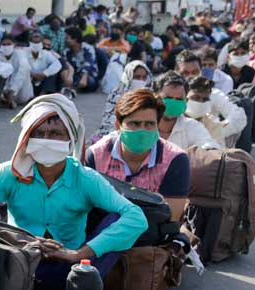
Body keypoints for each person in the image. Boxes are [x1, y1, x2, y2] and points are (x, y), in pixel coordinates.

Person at [0, 94, 146, 290]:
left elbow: (135, 217)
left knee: (116, 224)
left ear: (70, 138)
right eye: (40, 132)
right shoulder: (12, 172)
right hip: (20, 262)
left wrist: (76, 254)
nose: (47, 139)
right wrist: (12, 237)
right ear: (27, 137)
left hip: (69, 269)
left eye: (56, 133)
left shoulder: (84, 178)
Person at [85, 89, 191, 222]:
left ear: (158, 126)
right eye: (134, 124)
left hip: (152, 238)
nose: (142, 131)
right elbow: (86, 209)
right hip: (102, 234)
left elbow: (171, 218)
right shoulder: (96, 156)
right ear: (118, 125)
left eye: (149, 124)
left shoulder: (175, 160)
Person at [175, 50, 247, 143]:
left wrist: (218, 130)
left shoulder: (214, 94)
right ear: (176, 72)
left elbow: (238, 116)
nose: (190, 77)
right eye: (185, 73)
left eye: (195, 72)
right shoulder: (170, 98)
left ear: (201, 72)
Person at [154, 71, 220, 150]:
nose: (174, 102)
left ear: (186, 101)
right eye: (168, 98)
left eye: (179, 99)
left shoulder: (192, 127)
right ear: (155, 97)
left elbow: (209, 147)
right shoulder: (141, 124)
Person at [93, 60, 152, 143]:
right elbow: (108, 122)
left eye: (144, 77)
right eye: (137, 77)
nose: (141, 80)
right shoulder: (116, 95)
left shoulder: (150, 95)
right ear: (128, 77)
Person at [0, 34, 33, 108]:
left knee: (24, 69)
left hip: (21, 92)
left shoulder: (20, 54)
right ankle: (5, 99)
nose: (6, 46)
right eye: (3, 44)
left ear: (14, 45)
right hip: (5, 91)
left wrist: (13, 91)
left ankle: (12, 98)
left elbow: (22, 72)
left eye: (9, 44)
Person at [64, 27, 99, 93]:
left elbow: (89, 64)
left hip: (89, 75)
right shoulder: (67, 51)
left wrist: (84, 76)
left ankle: (75, 88)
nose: (65, 40)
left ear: (75, 39)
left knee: (91, 82)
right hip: (75, 75)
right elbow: (67, 66)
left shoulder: (88, 48)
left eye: (67, 38)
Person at [27, 32, 62, 96]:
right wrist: (30, 74)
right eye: (34, 42)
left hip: (43, 81)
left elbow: (57, 64)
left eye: (38, 43)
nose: (36, 45)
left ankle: (42, 95)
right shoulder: (24, 52)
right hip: (29, 81)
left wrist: (44, 74)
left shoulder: (46, 53)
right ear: (29, 42)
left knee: (52, 71)